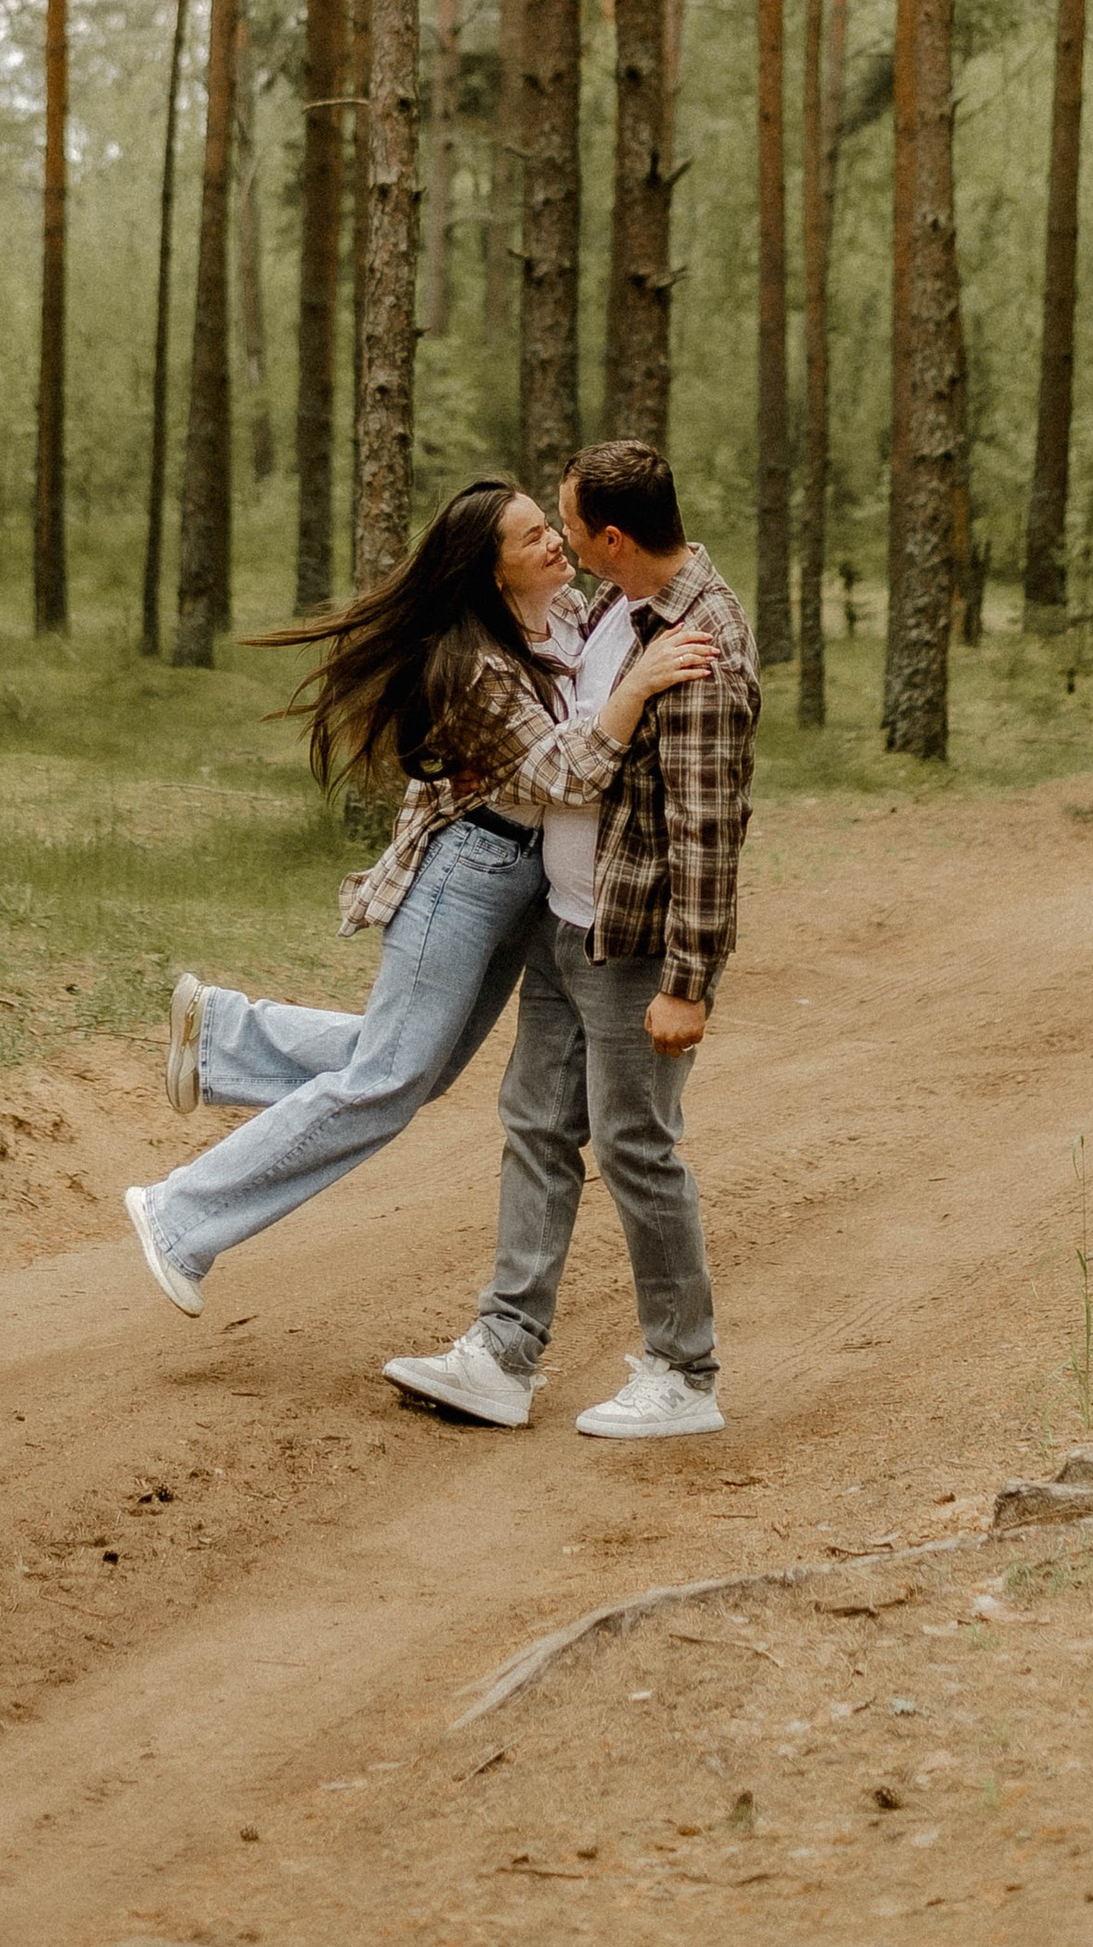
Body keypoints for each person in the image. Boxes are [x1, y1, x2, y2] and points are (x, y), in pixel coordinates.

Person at [122, 477, 714, 1319]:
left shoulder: (572, 615)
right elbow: (562, 771)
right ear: (492, 572)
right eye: (530, 538)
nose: (554, 542)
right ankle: (182, 1214)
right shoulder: (474, 665)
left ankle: (220, 1033)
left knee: (410, 1068)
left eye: (552, 527)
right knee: (390, 1079)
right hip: (466, 877)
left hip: (521, 884)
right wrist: (638, 687)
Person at [384, 437, 758, 1442]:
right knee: (537, 1129)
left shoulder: (701, 642)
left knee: (636, 1145)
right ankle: (503, 1354)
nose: (560, 539)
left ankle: (685, 1373)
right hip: (565, 926)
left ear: (612, 535)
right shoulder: (614, 610)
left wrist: (689, 983)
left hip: (630, 948)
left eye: (567, 522)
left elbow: (707, 831)